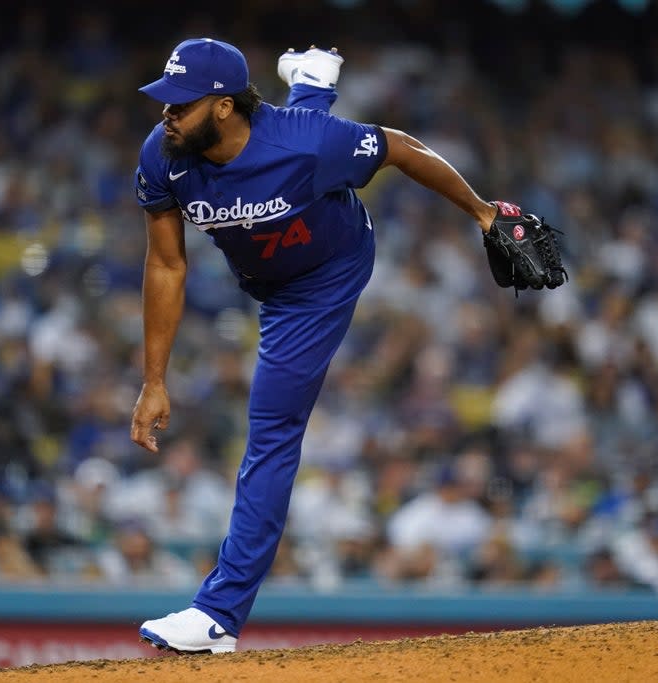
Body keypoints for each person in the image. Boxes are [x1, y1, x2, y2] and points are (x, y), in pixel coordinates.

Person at [130, 38, 510, 654]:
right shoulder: (164, 155)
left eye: (181, 105)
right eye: (165, 104)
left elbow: (400, 149)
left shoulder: (308, 144)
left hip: (321, 276)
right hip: (263, 271)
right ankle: (313, 76)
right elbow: (166, 266)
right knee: (303, 126)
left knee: (273, 429)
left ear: (224, 107)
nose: (166, 116)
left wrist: (484, 214)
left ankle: (219, 615)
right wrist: (153, 380)